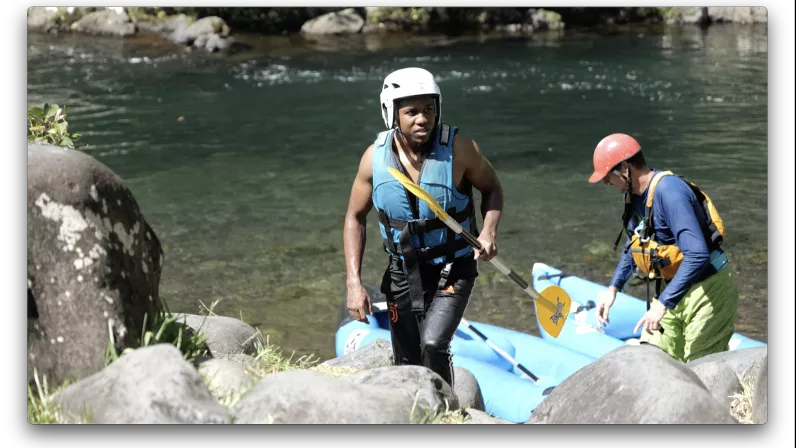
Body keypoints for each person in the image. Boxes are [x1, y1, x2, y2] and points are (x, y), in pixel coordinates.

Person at [343, 67, 504, 387]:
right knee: (406, 358)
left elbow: (492, 189)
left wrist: (488, 232)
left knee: (433, 344)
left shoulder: (460, 149)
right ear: (391, 113)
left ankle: (447, 413)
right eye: (411, 111)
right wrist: (353, 281)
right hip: (403, 269)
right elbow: (354, 217)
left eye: (429, 109)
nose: (422, 118)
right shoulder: (372, 159)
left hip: (453, 267)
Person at [587, 133, 739, 362]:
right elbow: (635, 244)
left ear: (625, 169)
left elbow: (697, 254)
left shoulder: (670, 192)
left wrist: (663, 304)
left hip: (708, 288)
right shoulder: (633, 197)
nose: (607, 183)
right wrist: (614, 288)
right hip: (672, 287)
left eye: (608, 177)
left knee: (702, 369)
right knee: (654, 359)